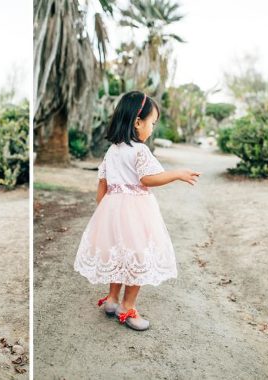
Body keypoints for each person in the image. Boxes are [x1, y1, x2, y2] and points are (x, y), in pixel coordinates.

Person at [74, 91, 200, 331]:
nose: (152, 129)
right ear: (137, 121)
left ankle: (111, 299)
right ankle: (127, 306)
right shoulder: (140, 150)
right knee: (138, 256)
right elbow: (148, 178)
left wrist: (103, 215)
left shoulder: (112, 150)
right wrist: (177, 174)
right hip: (137, 211)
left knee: (120, 255)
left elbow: (102, 184)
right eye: (152, 123)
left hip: (112, 210)